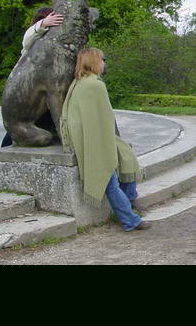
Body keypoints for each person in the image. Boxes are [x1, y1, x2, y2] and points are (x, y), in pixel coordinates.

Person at [60, 47, 150, 232]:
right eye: (102, 59)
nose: (104, 63)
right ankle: (130, 220)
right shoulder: (94, 85)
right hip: (91, 140)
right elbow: (102, 120)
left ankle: (130, 198)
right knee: (110, 179)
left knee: (126, 156)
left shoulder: (80, 82)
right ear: (93, 62)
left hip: (92, 136)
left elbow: (99, 119)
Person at [0, 6, 65, 147]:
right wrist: (42, 24)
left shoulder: (54, 42)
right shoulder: (34, 38)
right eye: (50, 19)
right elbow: (27, 39)